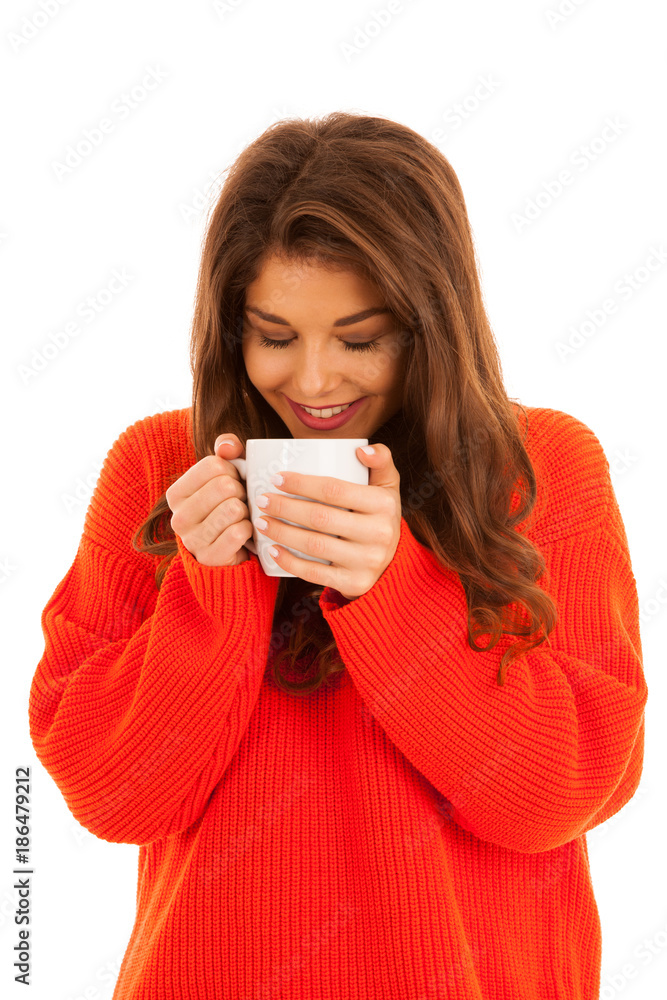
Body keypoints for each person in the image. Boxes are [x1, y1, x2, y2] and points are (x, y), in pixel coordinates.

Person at [28, 111, 648, 1000]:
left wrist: (394, 593)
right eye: (273, 335)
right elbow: (110, 796)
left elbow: (562, 793)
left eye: (359, 339)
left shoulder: (541, 470)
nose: (313, 382)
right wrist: (212, 586)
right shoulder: (160, 471)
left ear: (432, 324)